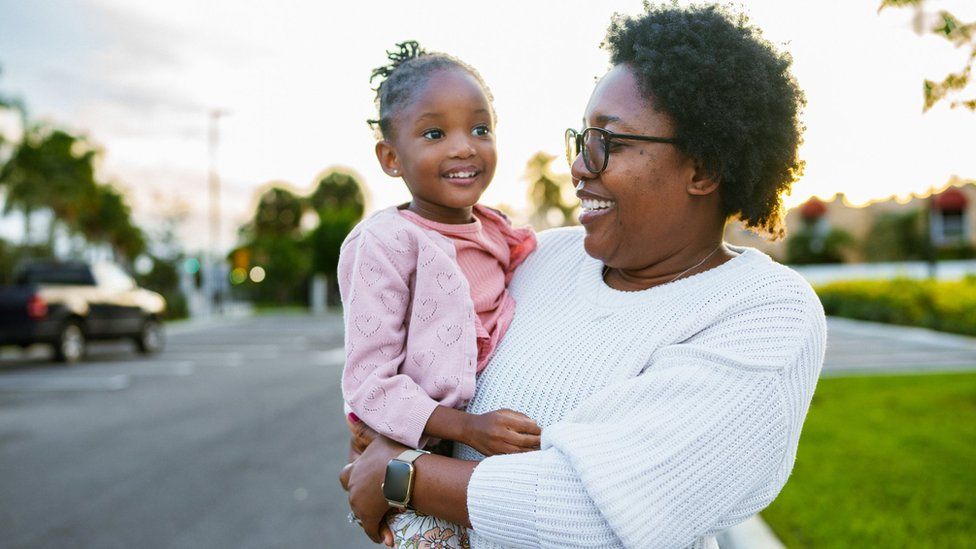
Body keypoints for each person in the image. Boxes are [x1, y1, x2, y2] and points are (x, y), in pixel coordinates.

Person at [341, 4, 825, 548]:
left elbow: (594, 516)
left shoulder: (762, 311)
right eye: (582, 139)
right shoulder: (542, 258)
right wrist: (385, 433)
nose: (577, 167)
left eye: (607, 143)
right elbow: (418, 366)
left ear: (704, 169)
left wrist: (400, 476)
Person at [338, 41, 542, 548]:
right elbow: (369, 383)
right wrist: (469, 429)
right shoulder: (385, 243)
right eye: (434, 133)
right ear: (390, 157)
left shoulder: (499, 235)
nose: (463, 147)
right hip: (417, 451)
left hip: (476, 469)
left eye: (480, 128)